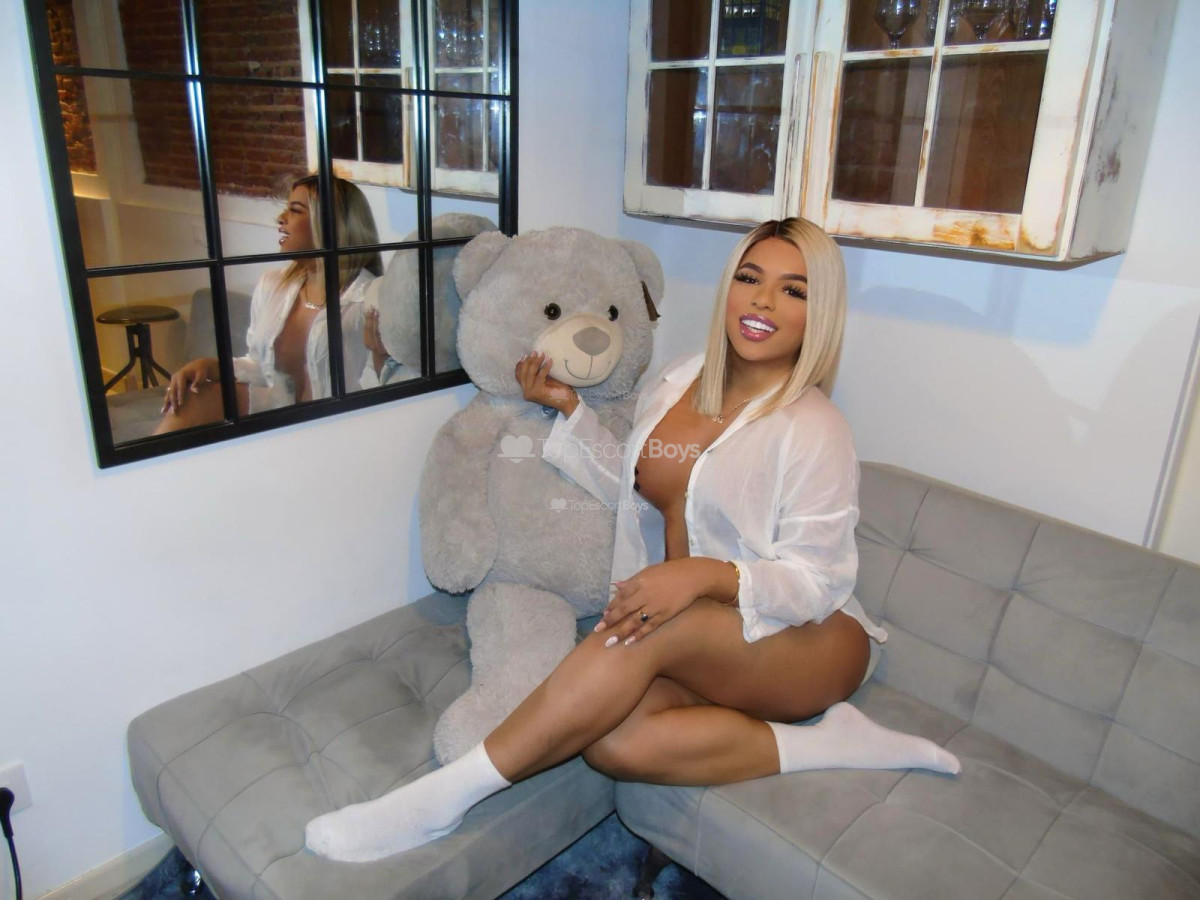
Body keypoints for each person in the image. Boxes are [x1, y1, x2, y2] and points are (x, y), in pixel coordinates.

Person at [304, 217, 961, 863]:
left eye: (794, 290)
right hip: (713, 642)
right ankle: (835, 744)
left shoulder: (816, 428)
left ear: (820, 314)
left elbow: (820, 580)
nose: (763, 300)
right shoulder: (679, 381)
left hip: (810, 639)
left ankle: (442, 798)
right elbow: (634, 488)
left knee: (655, 621)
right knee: (614, 745)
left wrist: (701, 576)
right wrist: (569, 408)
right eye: (750, 278)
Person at [155, 174, 382, 431]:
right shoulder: (273, 285)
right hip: (276, 413)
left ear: (331, 224)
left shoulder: (369, 298)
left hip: (335, 427)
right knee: (194, 398)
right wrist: (211, 366)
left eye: (295, 210)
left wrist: (380, 358)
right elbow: (261, 367)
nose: (280, 218)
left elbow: (378, 387)